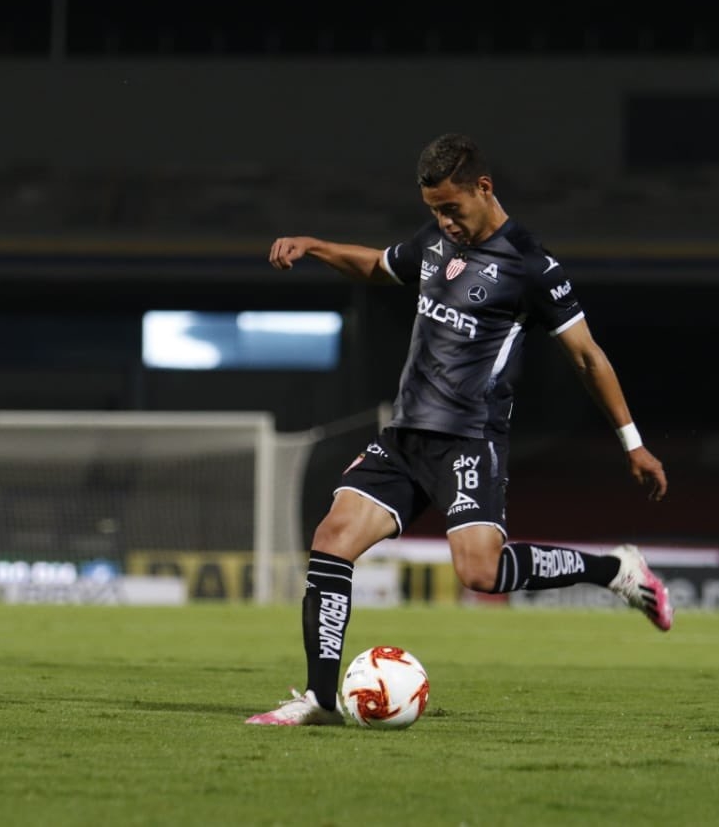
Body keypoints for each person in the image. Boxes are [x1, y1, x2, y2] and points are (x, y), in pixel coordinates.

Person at [246, 133, 672, 726]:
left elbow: (587, 357)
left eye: (452, 207)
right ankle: (320, 699)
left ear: (484, 188)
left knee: (480, 573)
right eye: (433, 210)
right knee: (331, 538)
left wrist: (633, 443)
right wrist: (314, 244)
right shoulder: (434, 240)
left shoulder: (531, 265)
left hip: (469, 439)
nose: (444, 220)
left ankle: (617, 570)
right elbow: (376, 265)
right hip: (405, 436)